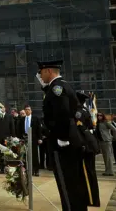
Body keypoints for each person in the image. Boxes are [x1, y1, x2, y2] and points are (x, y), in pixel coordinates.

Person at [36, 59, 88, 211]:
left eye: (41, 73)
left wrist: (63, 138)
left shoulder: (56, 88)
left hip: (64, 143)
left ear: (48, 71)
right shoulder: (61, 86)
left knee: (67, 182)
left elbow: (63, 114)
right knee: (74, 181)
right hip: (71, 139)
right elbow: (75, 110)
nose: (40, 76)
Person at [76, 92, 100, 207]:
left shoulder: (78, 113)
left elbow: (79, 129)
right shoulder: (85, 111)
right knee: (91, 172)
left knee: (87, 173)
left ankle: (91, 199)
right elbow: (91, 126)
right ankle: (93, 198)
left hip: (85, 146)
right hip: (89, 145)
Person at [17, 105, 42, 176]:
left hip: (33, 139)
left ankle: (36, 170)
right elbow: (19, 130)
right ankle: (27, 170)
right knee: (25, 155)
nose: (27, 110)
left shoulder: (35, 118)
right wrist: (19, 138)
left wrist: (39, 138)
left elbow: (39, 129)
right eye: (26, 109)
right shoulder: (22, 119)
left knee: (34, 155)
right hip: (24, 139)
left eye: (28, 109)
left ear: (31, 111)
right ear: (24, 111)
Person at [0, 105, 16, 174]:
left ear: (4, 109)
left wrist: (13, 136)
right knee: (0, 153)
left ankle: (8, 167)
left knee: (7, 152)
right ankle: (1, 168)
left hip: (7, 138)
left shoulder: (9, 116)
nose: (1, 109)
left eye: (2, 108)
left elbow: (12, 126)